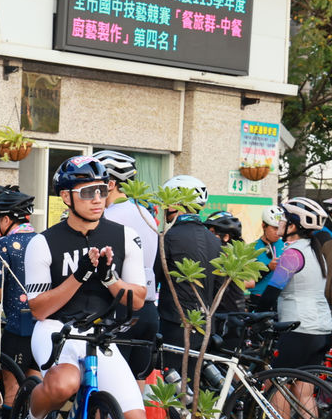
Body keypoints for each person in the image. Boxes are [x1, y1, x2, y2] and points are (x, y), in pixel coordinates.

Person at [18, 155, 176, 419]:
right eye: (87, 192)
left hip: (101, 333)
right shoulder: (43, 242)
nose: (97, 199)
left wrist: (108, 279)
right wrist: (78, 277)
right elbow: (39, 309)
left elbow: (137, 298)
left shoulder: (125, 236)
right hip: (55, 329)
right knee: (63, 383)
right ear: (67, 197)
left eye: (102, 191)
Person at [94, 149, 158, 384]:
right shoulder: (146, 214)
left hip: (119, 309)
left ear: (110, 184)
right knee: (136, 387)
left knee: (109, 388)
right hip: (148, 308)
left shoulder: (107, 219)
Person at [260, 198, 332, 367]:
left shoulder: (292, 254)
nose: (279, 222)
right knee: (303, 381)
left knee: (275, 378)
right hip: (321, 328)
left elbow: (271, 292)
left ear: (292, 226)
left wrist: (255, 316)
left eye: (282, 218)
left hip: (299, 328)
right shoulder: (314, 251)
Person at [155, 175, 222, 347]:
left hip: (174, 323)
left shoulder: (167, 238)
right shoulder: (215, 241)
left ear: (176, 203)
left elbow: (154, 279)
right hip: (206, 325)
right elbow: (219, 287)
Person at [0, 188, 39, 403]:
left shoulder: (5, 243)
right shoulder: (42, 240)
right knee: (35, 385)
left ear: (6, 219)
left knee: (12, 387)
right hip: (42, 325)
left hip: (17, 327)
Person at [204, 210, 249, 341]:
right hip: (218, 314)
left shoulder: (231, 257)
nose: (208, 237)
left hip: (230, 318)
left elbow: (251, 281)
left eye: (213, 233)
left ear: (226, 237)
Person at [249, 205, 286, 303]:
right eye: (274, 228)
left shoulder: (286, 246)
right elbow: (249, 279)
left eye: (280, 228)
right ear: (263, 226)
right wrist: (268, 268)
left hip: (281, 299)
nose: (278, 232)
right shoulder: (252, 248)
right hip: (258, 298)